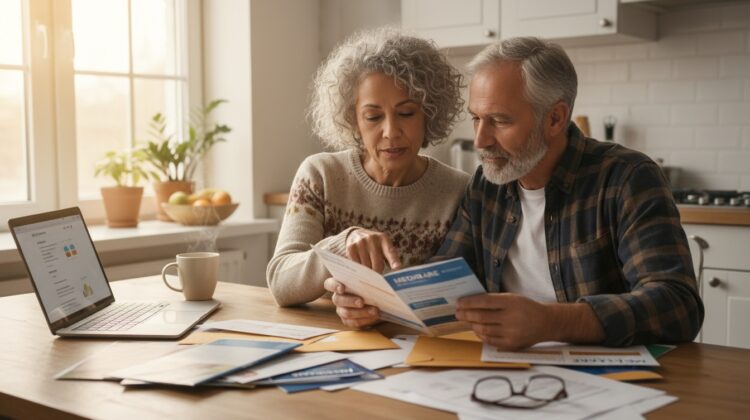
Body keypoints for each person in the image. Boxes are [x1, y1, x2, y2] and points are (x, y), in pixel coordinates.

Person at [329, 36, 704, 348]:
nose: (480, 140)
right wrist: (373, 302)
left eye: (500, 121)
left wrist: (554, 322)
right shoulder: (486, 185)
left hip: (614, 383)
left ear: (555, 118)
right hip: (504, 371)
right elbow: (440, 278)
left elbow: (678, 304)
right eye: (476, 119)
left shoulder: (627, 178)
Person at [266, 28, 470, 309]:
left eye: (406, 113)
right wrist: (342, 244)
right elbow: (280, 282)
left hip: (418, 346)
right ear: (353, 121)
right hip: (328, 339)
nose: (391, 131)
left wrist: (377, 308)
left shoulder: (459, 190)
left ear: (429, 112)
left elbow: (456, 297)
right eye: (373, 117)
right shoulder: (320, 175)